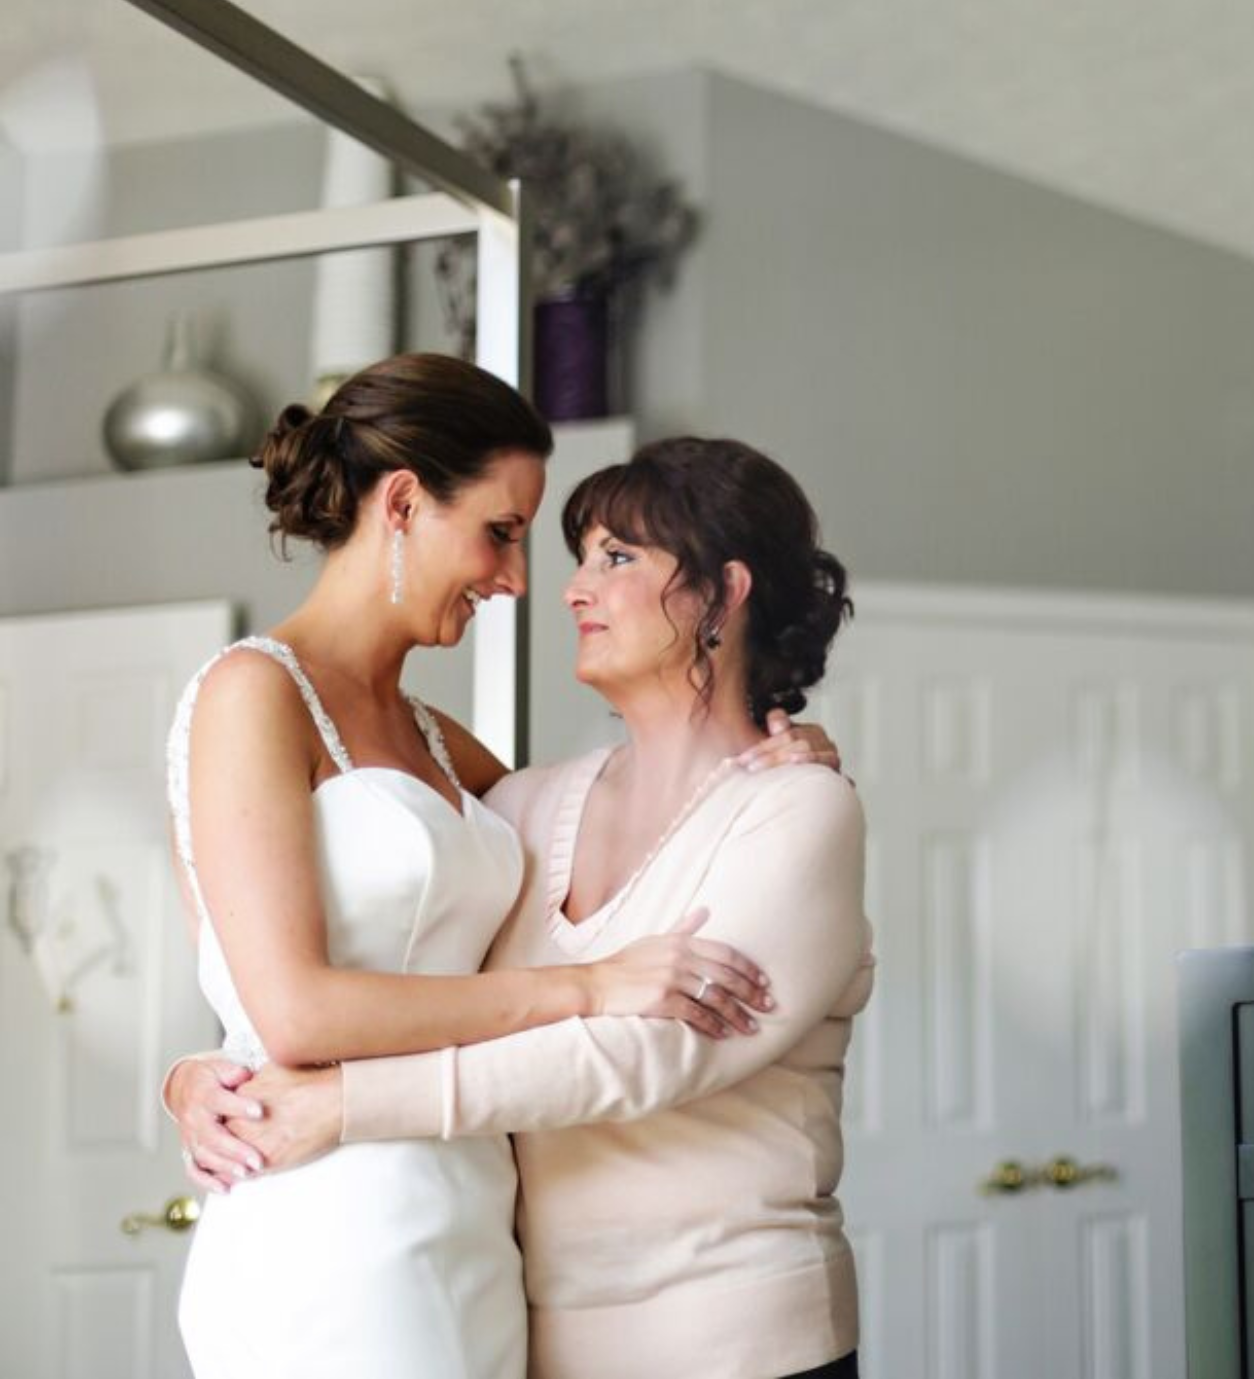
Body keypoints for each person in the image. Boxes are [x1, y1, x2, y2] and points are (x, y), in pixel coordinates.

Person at [166, 358, 826, 1379]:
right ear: (400, 503)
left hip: (476, 1221)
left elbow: (622, 827)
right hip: (332, 1223)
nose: (517, 582)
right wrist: (587, 989)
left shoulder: (446, 747)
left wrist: (771, 763)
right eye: (501, 533)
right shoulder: (250, 694)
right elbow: (285, 1013)